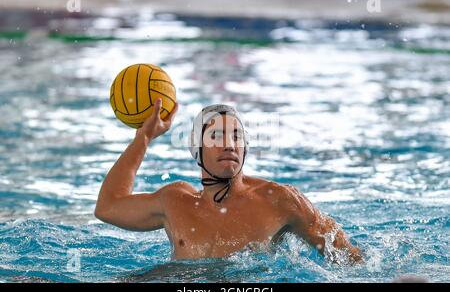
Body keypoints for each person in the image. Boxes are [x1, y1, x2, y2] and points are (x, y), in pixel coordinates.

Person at [95, 98, 362, 262]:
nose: (229, 145)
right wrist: (143, 138)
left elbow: (350, 259)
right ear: (196, 150)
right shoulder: (174, 202)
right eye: (216, 136)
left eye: (236, 136)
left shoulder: (280, 200)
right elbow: (108, 207)